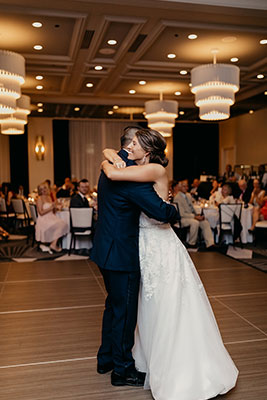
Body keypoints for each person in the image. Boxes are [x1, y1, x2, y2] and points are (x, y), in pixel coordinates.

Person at [101, 128, 238, 400]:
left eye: (135, 143)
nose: (129, 146)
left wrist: (108, 160)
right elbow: (113, 163)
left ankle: (176, 366)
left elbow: (115, 174)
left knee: (168, 302)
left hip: (160, 244)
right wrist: (108, 155)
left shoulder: (153, 170)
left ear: (148, 151)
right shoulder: (136, 167)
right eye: (128, 143)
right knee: (145, 306)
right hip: (141, 245)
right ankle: (143, 359)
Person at [91, 126, 178, 388]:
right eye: (133, 144)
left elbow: (108, 160)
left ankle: (106, 358)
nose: (132, 149)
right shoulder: (128, 176)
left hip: (105, 248)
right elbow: (161, 213)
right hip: (121, 254)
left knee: (113, 307)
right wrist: (172, 209)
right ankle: (122, 370)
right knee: (125, 314)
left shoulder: (112, 164)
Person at [174, 180, 214, 249]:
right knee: (195, 222)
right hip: (183, 218)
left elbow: (192, 208)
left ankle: (210, 244)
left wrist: (198, 215)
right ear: (179, 187)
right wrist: (195, 217)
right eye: (184, 186)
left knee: (205, 222)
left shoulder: (188, 195)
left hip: (191, 216)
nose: (186, 188)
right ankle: (191, 243)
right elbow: (182, 214)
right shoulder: (177, 198)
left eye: (187, 186)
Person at [35, 182, 69, 252]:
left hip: (51, 217)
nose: (43, 190)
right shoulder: (39, 199)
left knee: (64, 224)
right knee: (60, 224)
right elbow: (41, 213)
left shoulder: (49, 197)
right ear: (39, 191)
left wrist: (55, 208)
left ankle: (53, 243)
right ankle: (53, 244)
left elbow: (52, 211)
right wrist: (51, 207)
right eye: (41, 189)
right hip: (43, 219)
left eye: (44, 188)